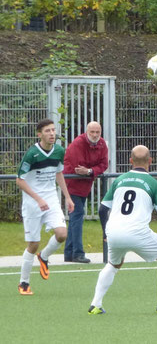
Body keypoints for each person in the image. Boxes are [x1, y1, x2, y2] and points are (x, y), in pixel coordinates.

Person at [88, 145, 157, 314]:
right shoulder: (153, 184)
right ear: (150, 162)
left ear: (130, 161)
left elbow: (102, 210)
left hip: (114, 231)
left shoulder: (119, 180)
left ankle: (95, 304)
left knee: (113, 264)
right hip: (137, 232)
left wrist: (105, 234)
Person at [16, 118, 75, 295]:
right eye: (47, 131)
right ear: (39, 134)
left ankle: (44, 256)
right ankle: (24, 283)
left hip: (51, 200)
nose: (51, 134)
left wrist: (68, 197)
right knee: (33, 244)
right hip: (33, 204)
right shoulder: (32, 154)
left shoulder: (58, 151)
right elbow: (19, 180)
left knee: (62, 233)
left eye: (53, 130)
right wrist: (38, 199)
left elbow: (59, 173)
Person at [63, 121, 108, 263]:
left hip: (85, 183)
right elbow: (78, 167)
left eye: (97, 132)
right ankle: (77, 253)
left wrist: (90, 171)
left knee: (76, 216)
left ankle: (69, 253)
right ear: (86, 132)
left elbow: (104, 164)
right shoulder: (78, 143)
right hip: (72, 183)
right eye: (92, 132)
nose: (95, 135)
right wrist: (92, 170)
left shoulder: (102, 144)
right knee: (77, 215)